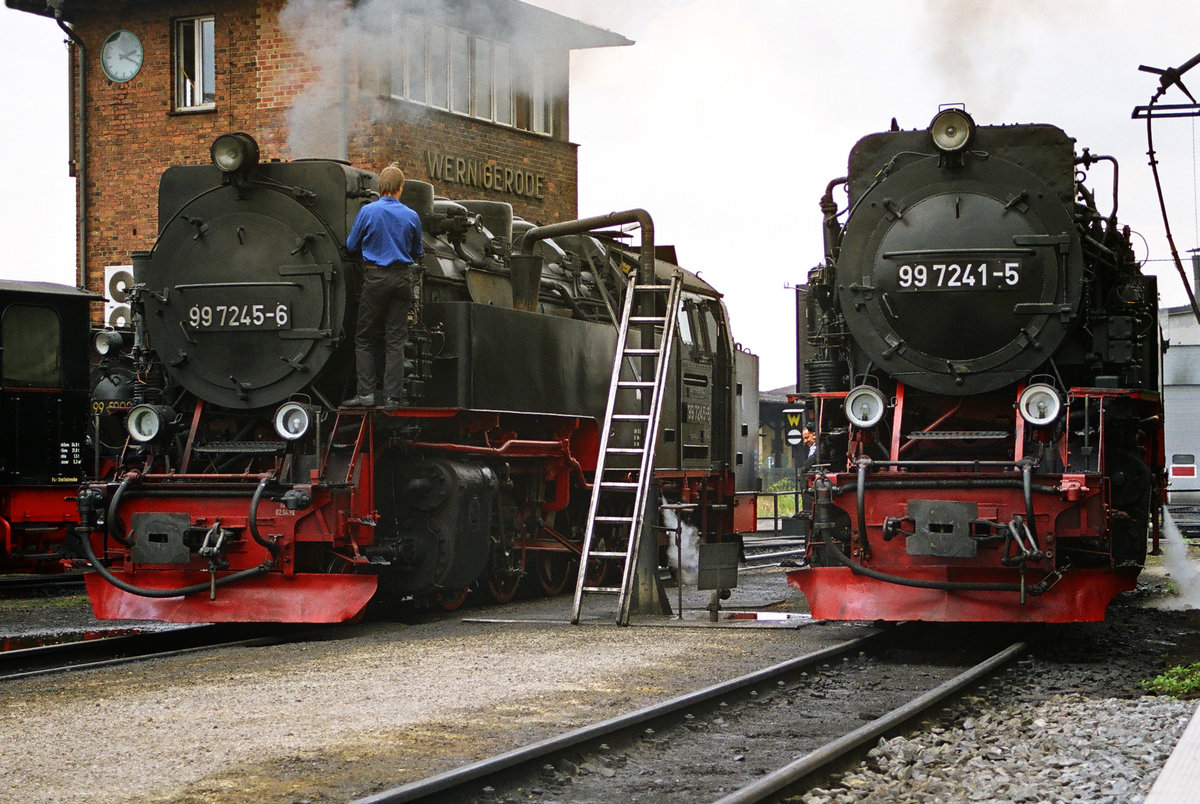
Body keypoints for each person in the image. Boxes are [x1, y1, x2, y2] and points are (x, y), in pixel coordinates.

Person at [343, 162, 423, 411]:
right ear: (400, 188)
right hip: (402, 280)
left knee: (364, 338)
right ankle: (393, 398)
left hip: (376, 278)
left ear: (381, 187)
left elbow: (351, 245)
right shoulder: (412, 215)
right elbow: (417, 252)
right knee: (395, 340)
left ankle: (366, 394)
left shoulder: (368, 212)